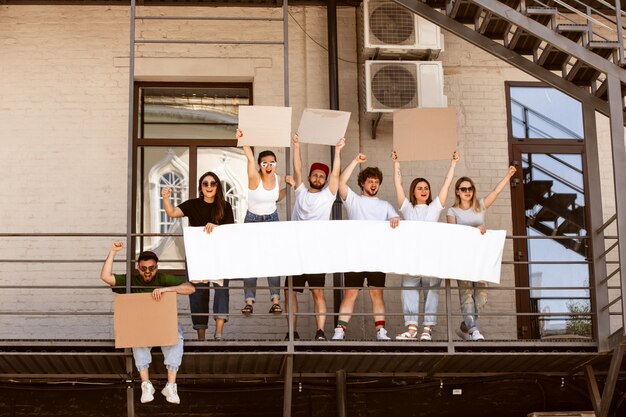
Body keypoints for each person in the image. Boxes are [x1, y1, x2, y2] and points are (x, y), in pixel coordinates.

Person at [99, 242, 195, 404]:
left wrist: (166, 290)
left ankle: (171, 385)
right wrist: (113, 251)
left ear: (157, 268)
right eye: (144, 268)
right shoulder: (131, 280)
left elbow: (190, 288)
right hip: (141, 326)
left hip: (163, 324)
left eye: (152, 268)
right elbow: (105, 277)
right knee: (138, 339)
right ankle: (146, 384)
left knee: (176, 337)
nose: (148, 272)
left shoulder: (162, 278)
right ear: (138, 268)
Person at [391, 150, 460, 341]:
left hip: (431, 258)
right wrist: (397, 163)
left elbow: (446, 184)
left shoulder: (435, 207)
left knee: (432, 293)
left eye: (426, 188)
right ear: (413, 191)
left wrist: (453, 164)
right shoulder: (407, 208)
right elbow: (398, 185)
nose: (424, 190)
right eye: (419, 188)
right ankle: (412, 328)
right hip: (412, 259)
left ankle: (427, 330)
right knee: (409, 292)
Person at [332, 153, 400, 341]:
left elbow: (396, 220)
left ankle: (381, 331)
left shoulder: (385, 205)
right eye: (370, 181)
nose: (373, 184)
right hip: (356, 255)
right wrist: (354, 161)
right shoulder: (354, 200)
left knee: (376, 293)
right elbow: (339, 183)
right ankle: (340, 330)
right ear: (363, 183)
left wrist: (395, 219)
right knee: (351, 293)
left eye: (376, 181)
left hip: (377, 256)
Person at [283, 135, 345, 341]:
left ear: (325, 181)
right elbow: (297, 168)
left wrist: (338, 151)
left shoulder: (327, 196)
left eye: (321, 176)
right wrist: (297, 145)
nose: (318, 178)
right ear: (310, 177)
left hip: (317, 253)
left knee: (317, 292)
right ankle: (292, 332)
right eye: (315, 175)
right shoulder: (300, 191)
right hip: (295, 251)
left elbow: (336, 174)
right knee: (289, 291)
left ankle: (320, 331)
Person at [446, 165, 517, 341]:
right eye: (463, 189)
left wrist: (508, 175)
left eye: (470, 188)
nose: (467, 191)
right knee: (466, 294)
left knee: (482, 295)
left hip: (480, 257)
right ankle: (474, 329)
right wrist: (474, 229)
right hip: (462, 258)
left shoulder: (480, 207)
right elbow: (453, 233)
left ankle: (465, 326)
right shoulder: (452, 211)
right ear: (457, 192)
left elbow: (495, 192)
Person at [162, 171, 235, 341]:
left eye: (213, 183)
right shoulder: (192, 204)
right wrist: (165, 198)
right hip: (197, 255)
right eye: (205, 183)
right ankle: (201, 336)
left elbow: (231, 230)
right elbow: (172, 213)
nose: (209, 186)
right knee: (198, 293)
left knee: (221, 291)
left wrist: (215, 226)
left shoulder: (225, 206)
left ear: (218, 187)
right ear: (201, 187)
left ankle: (218, 333)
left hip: (219, 255)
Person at [236, 129, 287, 316]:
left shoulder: (277, 178)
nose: (268, 165)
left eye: (272, 163)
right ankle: (249, 301)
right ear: (259, 165)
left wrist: (287, 189)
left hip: (272, 219)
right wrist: (243, 140)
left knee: (273, 260)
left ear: (275, 164)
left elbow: (275, 198)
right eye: (264, 163)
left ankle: (275, 300)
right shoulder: (254, 178)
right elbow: (249, 158)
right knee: (251, 261)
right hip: (253, 220)